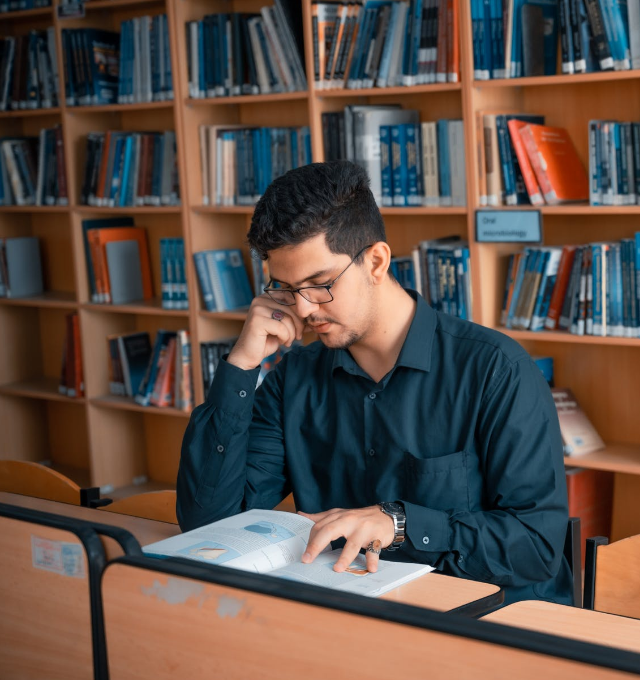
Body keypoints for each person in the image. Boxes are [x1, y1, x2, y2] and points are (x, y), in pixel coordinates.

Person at [176, 161, 572, 605]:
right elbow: (211, 526)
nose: (303, 310)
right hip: (350, 615)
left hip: (484, 624)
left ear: (377, 261)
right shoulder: (293, 379)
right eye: (285, 288)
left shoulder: (497, 370)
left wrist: (399, 524)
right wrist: (242, 365)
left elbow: (536, 547)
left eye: (320, 284)